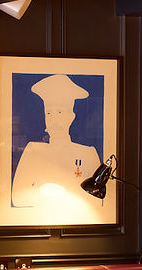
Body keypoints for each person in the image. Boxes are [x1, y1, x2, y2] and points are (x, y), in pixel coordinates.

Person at [10, 74, 101, 214]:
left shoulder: (87, 153)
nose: (54, 120)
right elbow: (17, 198)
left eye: (59, 112)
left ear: (71, 117)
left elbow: (96, 200)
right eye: (49, 113)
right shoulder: (33, 151)